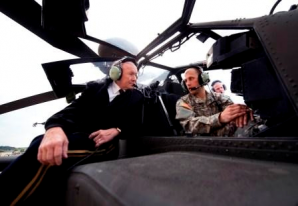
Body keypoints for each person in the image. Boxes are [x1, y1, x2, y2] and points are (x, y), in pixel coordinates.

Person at [0, 56, 143, 205]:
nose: (135, 78)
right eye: (131, 74)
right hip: (79, 135)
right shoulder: (95, 88)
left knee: (43, 154)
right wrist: (54, 128)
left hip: (103, 145)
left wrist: (117, 130)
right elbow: (73, 110)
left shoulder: (136, 96)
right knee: (39, 141)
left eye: (137, 75)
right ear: (116, 73)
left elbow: (137, 124)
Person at [176, 67, 253, 137]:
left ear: (203, 78)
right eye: (185, 81)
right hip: (201, 144)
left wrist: (241, 112)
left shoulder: (219, 97)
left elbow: (234, 112)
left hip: (226, 138)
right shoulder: (183, 102)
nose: (188, 84)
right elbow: (189, 125)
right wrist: (220, 118)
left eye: (191, 78)